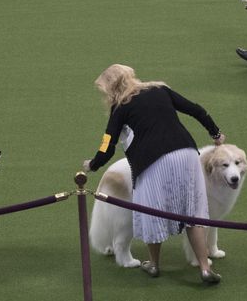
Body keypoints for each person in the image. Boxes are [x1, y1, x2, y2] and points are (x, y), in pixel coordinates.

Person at [83, 64, 224, 285]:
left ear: (111, 88)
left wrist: (94, 164)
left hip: (152, 161)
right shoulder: (160, 89)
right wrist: (215, 132)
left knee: (151, 211)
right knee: (193, 213)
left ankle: (154, 264)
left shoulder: (119, 108)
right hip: (186, 153)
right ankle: (205, 268)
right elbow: (195, 109)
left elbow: (107, 143)